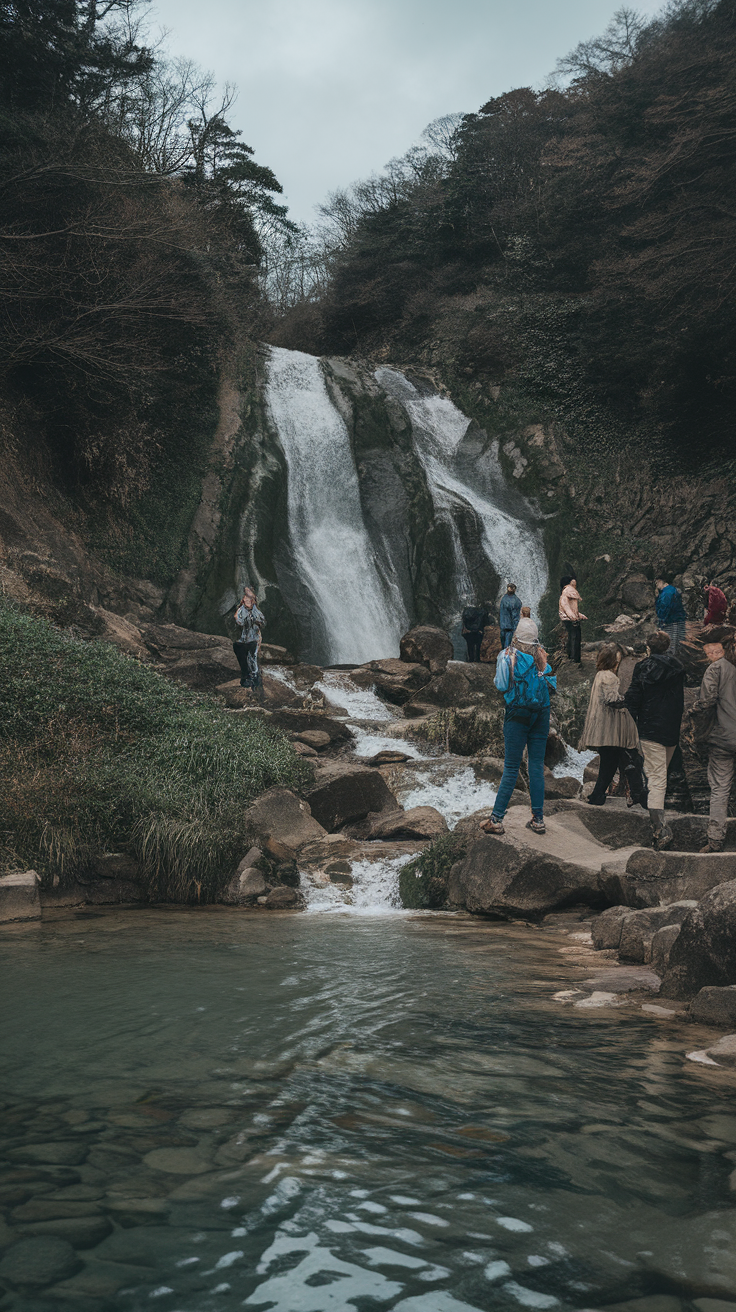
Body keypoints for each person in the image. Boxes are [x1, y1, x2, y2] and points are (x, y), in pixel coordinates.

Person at [480, 618, 556, 836]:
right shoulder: (542, 655)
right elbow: (551, 683)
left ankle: (496, 819)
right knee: (536, 766)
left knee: (512, 767)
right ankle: (538, 820)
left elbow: (501, 685)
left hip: (517, 714)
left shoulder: (507, 656)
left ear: (515, 636)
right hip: (541, 713)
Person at [624, 631, 685, 850]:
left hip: (649, 729)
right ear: (667, 647)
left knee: (657, 778)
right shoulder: (678, 668)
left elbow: (633, 697)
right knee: (660, 774)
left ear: (649, 648)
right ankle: (654, 813)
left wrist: (631, 722)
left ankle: (659, 829)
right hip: (671, 729)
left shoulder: (642, 667)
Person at [580, 645, 647, 806]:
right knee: (619, 761)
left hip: (603, 728)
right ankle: (636, 795)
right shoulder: (610, 677)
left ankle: (599, 795)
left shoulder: (599, 675)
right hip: (610, 730)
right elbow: (612, 700)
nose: (619, 663)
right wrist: (630, 699)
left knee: (611, 763)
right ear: (612, 661)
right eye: (617, 660)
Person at [695, 626, 736, 852]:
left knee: (720, 789)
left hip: (722, 738)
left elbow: (706, 702)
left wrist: (693, 715)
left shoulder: (716, 670)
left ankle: (715, 840)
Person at [233, 587, 265, 689]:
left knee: (252, 658)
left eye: (249, 599)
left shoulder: (257, 612)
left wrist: (258, 622)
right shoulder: (240, 611)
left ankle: (254, 677)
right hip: (243, 639)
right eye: (245, 599)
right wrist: (243, 620)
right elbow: (239, 621)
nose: (247, 601)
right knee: (243, 658)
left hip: (254, 638)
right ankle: (245, 677)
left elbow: (263, 622)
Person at [654, 578, 688, 652]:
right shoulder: (672, 590)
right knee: (678, 643)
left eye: (657, 583)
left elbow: (664, 607)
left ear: (661, 581)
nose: (657, 586)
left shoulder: (667, 593)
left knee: (671, 644)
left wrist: (662, 621)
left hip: (671, 621)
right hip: (678, 619)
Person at [559, 575, 587, 665]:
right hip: (569, 619)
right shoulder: (565, 594)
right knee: (574, 637)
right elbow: (567, 609)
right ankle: (574, 658)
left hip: (572, 619)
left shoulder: (568, 595)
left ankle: (575, 658)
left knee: (575, 637)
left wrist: (579, 615)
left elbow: (573, 609)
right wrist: (574, 618)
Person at [499, 583, 522, 650]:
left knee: (504, 647)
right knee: (507, 647)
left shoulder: (503, 598)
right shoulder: (516, 601)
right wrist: (516, 629)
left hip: (503, 625)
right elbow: (516, 616)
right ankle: (506, 659)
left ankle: (503, 659)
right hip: (510, 627)